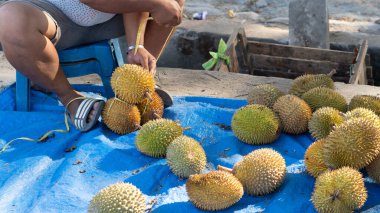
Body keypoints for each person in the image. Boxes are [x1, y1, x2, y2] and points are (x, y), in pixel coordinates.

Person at [0, 0, 184, 131]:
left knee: (172, 3)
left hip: (109, 20)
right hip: (50, 15)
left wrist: (137, 45)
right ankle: (70, 98)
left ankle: (138, 83)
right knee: (10, 20)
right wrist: (155, 3)